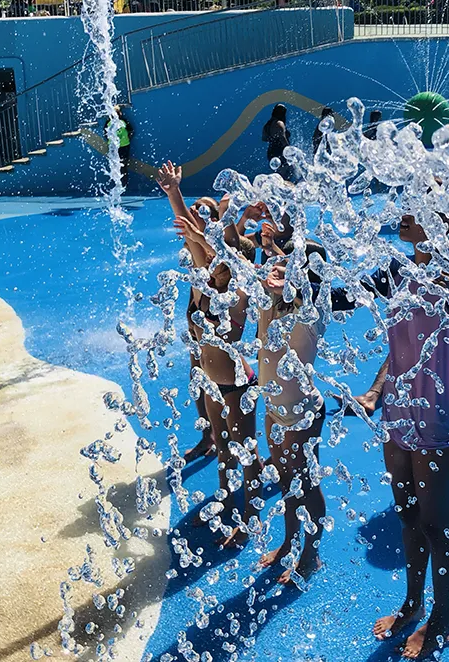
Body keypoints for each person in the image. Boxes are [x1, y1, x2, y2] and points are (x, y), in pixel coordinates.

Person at [366, 213, 449, 658]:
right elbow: (338, 296)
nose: (405, 215)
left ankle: (442, 620)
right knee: (407, 515)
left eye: (419, 208)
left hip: (437, 421)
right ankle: (413, 603)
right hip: (397, 415)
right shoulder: (396, 271)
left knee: (435, 524)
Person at [173, 205, 261, 549]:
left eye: (222, 259)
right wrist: (173, 193)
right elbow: (197, 249)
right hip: (212, 384)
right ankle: (225, 499)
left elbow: (216, 252)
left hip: (237, 386)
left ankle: (251, 517)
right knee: (223, 448)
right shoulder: (205, 289)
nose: (213, 261)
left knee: (246, 454)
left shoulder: (239, 297)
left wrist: (201, 235)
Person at [256, 235, 329, 584]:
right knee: (286, 483)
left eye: (292, 265)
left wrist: (288, 282)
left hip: (302, 413)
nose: (281, 269)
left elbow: (303, 296)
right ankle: (289, 542)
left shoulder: (313, 309)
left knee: (306, 485)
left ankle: (311, 555)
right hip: (273, 409)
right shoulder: (271, 298)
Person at [156, 161, 221, 463]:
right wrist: (174, 192)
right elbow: (187, 224)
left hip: (216, 336)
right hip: (197, 330)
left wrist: (175, 193)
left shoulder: (215, 256)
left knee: (218, 389)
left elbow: (193, 229)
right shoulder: (196, 247)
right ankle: (208, 436)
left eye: (202, 209)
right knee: (197, 381)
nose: (194, 210)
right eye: (194, 206)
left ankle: (227, 442)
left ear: (214, 222)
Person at [263, 104, 294, 182]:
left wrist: (273, 138)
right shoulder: (279, 123)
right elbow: (282, 138)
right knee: (286, 176)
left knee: (279, 175)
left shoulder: (267, 125)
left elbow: (264, 138)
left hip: (271, 153)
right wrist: (290, 152)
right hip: (280, 152)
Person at [107, 105, 134, 191]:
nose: (117, 114)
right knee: (115, 166)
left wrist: (127, 139)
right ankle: (117, 184)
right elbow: (106, 133)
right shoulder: (109, 122)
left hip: (124, 146)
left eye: (118, 112)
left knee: (123, 165)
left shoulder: (124, 121)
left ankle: (124, 185)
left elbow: (131, 130)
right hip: (114, 147)